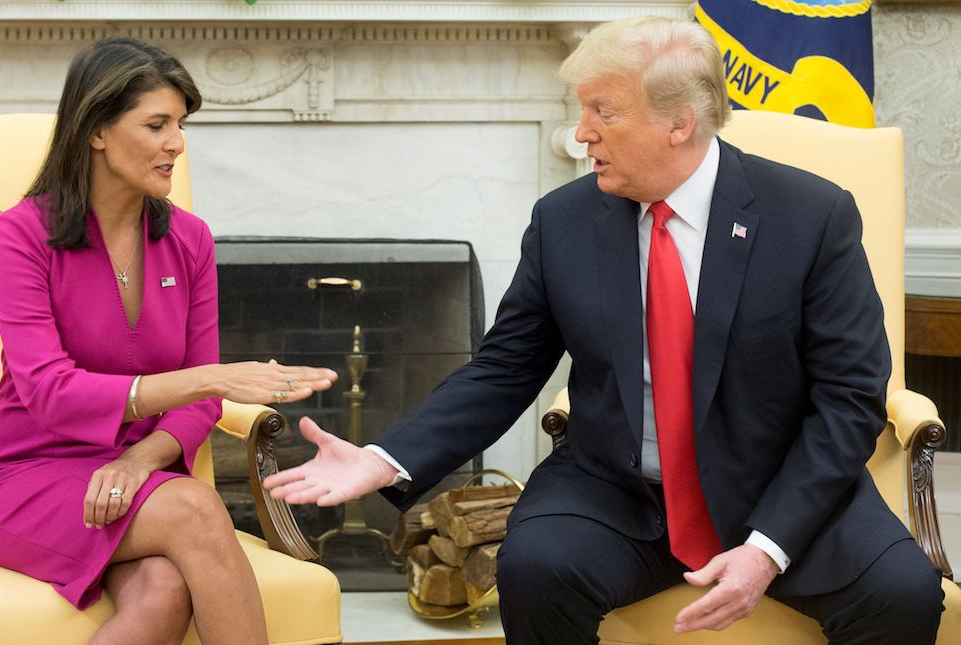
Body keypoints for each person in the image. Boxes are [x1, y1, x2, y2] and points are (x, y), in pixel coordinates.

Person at [264, 16, 945, 644]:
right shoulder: (564, 220)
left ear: (679, 123)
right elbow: (504, 369)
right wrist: (385, 457)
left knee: (902, 593)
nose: (579, 132)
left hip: (778, 485)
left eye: (601, 111)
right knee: (536, 568)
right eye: (579, 109)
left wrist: (768, 547)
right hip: (616, 490)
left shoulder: (810, 216)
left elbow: (848, 398)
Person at [0, 37, 337, 645]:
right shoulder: (20, 235)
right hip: (24, 480)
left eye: (179, 125)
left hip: (138, 478)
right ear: (97, 130)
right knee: (194, 508)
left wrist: (140, 458)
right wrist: (211, 377)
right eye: (156, 124)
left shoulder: (190, 239)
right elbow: (49, 392)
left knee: (162, 593)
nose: (176, 144)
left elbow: (200, 404)